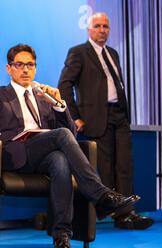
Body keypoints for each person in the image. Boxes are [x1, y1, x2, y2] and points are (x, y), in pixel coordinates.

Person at [0, 44, 140, 248]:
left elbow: (71, 135)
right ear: (9, 68)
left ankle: (62, 238)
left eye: (30, 65)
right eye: (19, 65)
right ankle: (100, 194)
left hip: (43, 156)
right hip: (15, 156)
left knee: (60, 160)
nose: (25, 70)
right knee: (59, 138)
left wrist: (60, 105)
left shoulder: (44, 95)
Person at [58, 12, 153, 230]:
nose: (102, 30)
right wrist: (75, 117)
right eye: (98, 26)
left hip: (119, 115)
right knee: (107, 168)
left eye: (106, 26)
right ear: (89, 29)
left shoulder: (113, 53)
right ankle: (119, 214)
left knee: (125, 166)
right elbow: (64, 85)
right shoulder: (78, 52)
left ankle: (127, 213)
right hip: (95, 118)